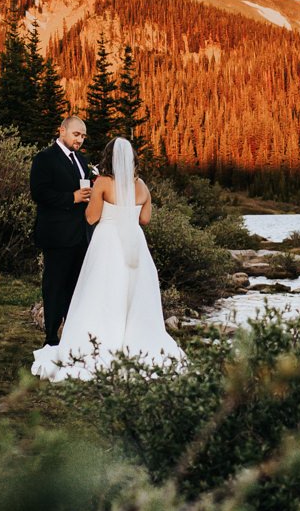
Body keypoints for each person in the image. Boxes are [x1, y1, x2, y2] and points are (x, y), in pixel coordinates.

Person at [31, 136, 185, 379]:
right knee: (133, 294)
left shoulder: (103, 182)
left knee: (102, 292)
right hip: (135, 246)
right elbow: (144, 220)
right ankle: (135, 343)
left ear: (109, 158)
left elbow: (91, 217)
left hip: (108, 244)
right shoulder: (142, 186)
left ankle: (98, 342)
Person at [30, 115, 95, 348]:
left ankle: (71, 333)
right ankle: (51, 337)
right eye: (76, 134)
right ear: (62, 131)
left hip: (80, 235)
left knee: (75, 286)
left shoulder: (82, 159)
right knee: (55, 285)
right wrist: (72, 197)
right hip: (56, 235)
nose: (80, 140)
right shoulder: (44, 158)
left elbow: (82, 190)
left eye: (83, 136)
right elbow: (39, 193)